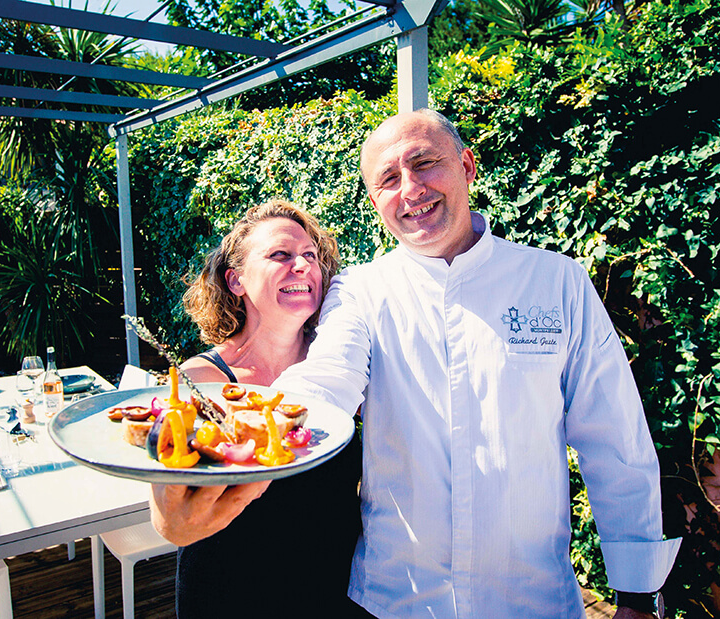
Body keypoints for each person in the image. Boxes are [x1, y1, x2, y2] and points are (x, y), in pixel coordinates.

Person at [273, 109, 682, 619]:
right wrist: (262, 421)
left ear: (467, 165)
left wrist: (639, 593)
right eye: (388, 179)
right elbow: (329, 376)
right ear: (375, 200)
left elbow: (615, 440)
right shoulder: (359, 290)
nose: (411, 188)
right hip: (395, 601)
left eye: (424, 163)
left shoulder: (558, 282)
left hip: (536, 603)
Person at [149, 199, 370, 618]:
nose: (303, 266)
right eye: (279, 256)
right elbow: (169, 501)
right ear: (236, 281)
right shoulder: (206, 379)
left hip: (335, 588)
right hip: (229, 592)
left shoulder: (347, 370)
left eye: (310, 256)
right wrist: (168, 521)